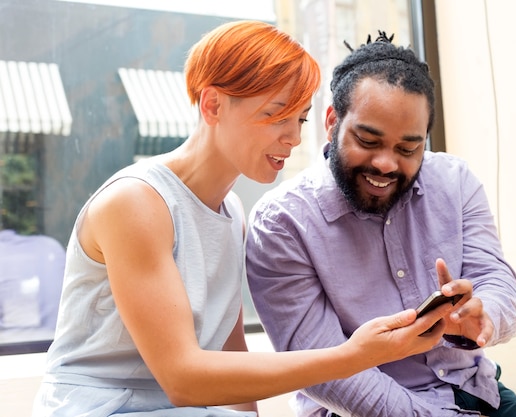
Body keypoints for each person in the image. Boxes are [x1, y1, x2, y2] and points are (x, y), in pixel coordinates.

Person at [30, 21, 456, 417]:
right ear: (213, 104)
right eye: (276, 114)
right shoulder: (136, 203)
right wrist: (356, 356)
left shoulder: (232, 213)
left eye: (300, 118)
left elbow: (230, 352)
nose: (293, 137)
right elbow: (183, 378)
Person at [246, 32, 516, 417]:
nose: (386, 164)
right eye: (368, 141)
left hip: (474, 390)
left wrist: (484, 316)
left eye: (407, 149)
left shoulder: (454, 181)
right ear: (332, 122)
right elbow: (326, 373)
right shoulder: (281, 223)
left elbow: (497, 280)